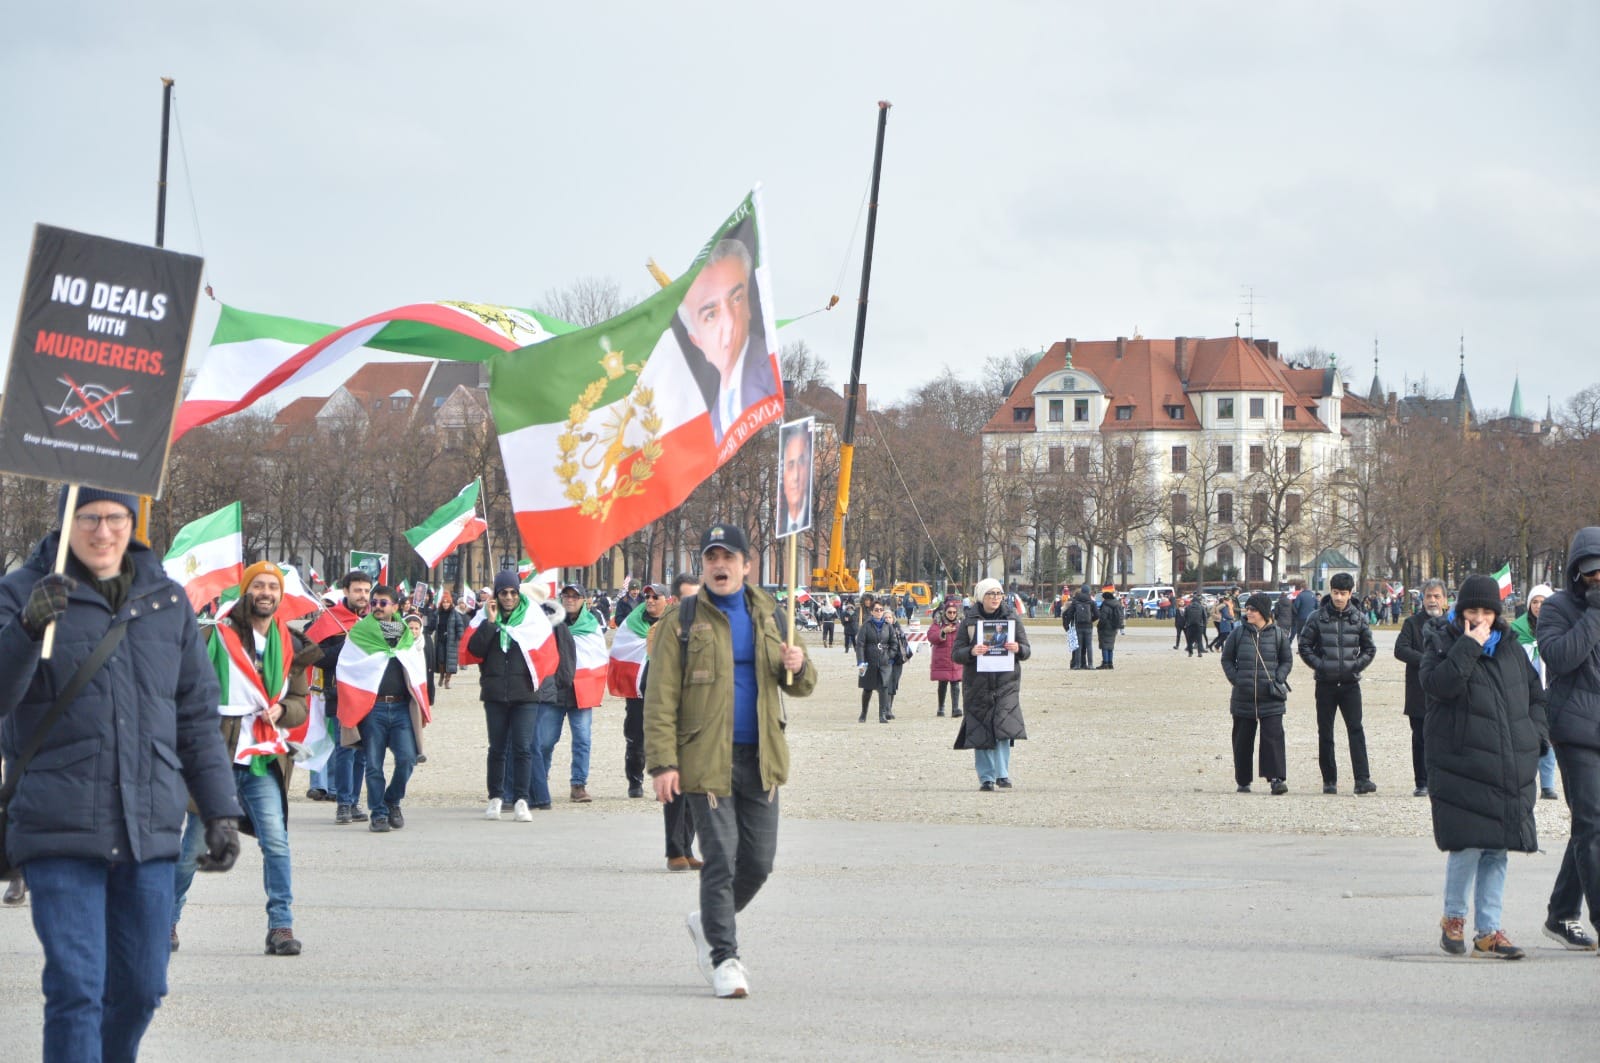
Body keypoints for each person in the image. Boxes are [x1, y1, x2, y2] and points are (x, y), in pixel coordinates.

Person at [0, 485, 243, 1060]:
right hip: (60, 825)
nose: (102, 532)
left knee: (140, 989)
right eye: (88, 518)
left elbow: (195, 718)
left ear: (131, 522)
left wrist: (221, 812)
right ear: (66, 523)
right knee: (77, 986)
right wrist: (28, 631)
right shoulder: (21, 593)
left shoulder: (167, 600)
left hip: (149, 825)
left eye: (114, 518)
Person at [644, 523, 815, 999]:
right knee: (719, 859)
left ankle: (707, 921)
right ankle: (725, 958)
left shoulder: (770, 613)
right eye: (711, 558)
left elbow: (800, 685)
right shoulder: (681, 619)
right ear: (704, 566)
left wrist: (798, 667)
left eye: (728, 558)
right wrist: (662, 763)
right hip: (704, 759)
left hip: (762, 757)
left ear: (746, 564)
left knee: (758, 864)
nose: (719, 566)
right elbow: (659, 698)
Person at [173, 561, 322, 956]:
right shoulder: (216, 638)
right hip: (216, 762)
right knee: (191, 851)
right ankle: (166, 923)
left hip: (262, 763)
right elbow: (187, 687)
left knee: (277, 844)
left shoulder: (290, 643)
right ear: (246, 591)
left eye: (273, 587)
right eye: (259, 586)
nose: (266, 593)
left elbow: (300, 704)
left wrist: (281, 712)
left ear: (280, 595)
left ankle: (281, 927)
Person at [1420, 574, 1547, 959]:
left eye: (1486, 612)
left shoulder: (1511, 649)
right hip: (1463, 762)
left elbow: (1536, 697)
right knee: (1467, 845)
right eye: (1471, 611)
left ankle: (1489, 930)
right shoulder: (1441, 642)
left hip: (1508, 762)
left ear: (1497, 612)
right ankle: (1453, 918)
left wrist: (1536, 738)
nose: (1479, 618)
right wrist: (1468, 645)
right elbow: (1439, 685)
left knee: (1498, 849)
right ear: (1459, 611)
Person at [1538, 527, 1600, 952]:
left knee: (1587, 826)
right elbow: (1559, 657)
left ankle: (1560, 914)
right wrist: (1594, 613)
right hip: (1574, 727)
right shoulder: (1557, 608)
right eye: (1591, 573)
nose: (1597, 579)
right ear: (1576, 572)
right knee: (1593, 824)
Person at [340, 584, 430, 833]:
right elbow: (346, 667)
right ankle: (378, 813)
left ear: (395, 606)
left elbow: (415, 665)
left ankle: (392, 800)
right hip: (373, 708)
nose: (377, 607)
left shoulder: (403, 632)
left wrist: (423, 697)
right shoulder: (360, 631)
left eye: (383, 603)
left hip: (401, 707)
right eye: (374, 602)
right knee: (374, 765)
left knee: (407, 759)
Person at [678, 236, 776, 446]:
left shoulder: (769, 380)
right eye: (711, 315)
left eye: (736, 299)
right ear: (697, 340)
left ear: (749, 305)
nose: (729, 322)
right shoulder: (712, 415)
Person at [469, 570, 546, 821]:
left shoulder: (532, 618)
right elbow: (474, 650)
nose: (509, 597)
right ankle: (495, 797)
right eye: (504, 592)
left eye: (513, 592)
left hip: (525, 694)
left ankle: (522, 799)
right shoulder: (485, 618)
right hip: (495, 694)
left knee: (523, 748)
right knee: (497, 748)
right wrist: (490, 623)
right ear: (496, 594)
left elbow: (544, 650)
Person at [1298, 572, 1377, 795]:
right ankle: (1329, 780)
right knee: (1326, 732)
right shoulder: (1317, 617)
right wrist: (1321, 665)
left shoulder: (1359, 618)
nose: (1339, 598)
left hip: (1351, 684)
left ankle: (1362, 779)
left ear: (1351, 594)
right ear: (1330, 592)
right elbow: (1304, 646)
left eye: (1343, 593)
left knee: (1356, 730)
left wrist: (1355, 665)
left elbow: (1369, 648)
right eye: (1335, 593)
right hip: (1325, 684)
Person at [952, 578, 1031, 791]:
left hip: (1006, 683)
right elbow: (956, 654)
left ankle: (1002, 774)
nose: (996, 597)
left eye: (999, 593)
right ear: (981, 596)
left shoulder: (1012, 618)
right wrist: (971, 651)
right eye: (991, 594)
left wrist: (1018, 648)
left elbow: (1026, 650)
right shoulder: (969, 621)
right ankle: (986, 777)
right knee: (980, 730)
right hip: (977, 684)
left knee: (1004, 727)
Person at [1220, 594, 1293, 795]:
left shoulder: (1278, 634)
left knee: (1273, 738)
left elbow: (1287, 660)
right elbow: (1226, 659)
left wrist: (1279, 678)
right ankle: (1243, 780)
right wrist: (1236, 679)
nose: (1248, 612)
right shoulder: (1237, 633)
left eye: (1253, 609)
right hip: (1243, 695)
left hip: (1271, 696)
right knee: (1242, 740)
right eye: (1248, 609)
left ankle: (1277, 778)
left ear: (1263, 612)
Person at [537, 582, 601, 803]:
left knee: (582, 740)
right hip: (555, 691)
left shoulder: (592, 626)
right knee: (545, 740)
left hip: (581, 692)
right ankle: (539, 782)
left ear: (584, 600)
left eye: (575, 596)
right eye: (566, 595)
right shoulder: (549, 624)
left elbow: (598, 659)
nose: (570, 599)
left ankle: (578, 785)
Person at [317, 570, 371, 825]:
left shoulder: (376, 620)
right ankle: (342, 803)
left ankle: (354, 801)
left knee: (362, 752)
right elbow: (318, 658)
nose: (363, 595)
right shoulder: (330, 621)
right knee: (345, 750)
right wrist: (345, 644)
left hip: (369, 695)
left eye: (366, 590)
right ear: (346, 592)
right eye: (358, 590)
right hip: (341, 695)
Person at [616, 583, 672, 800]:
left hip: (666, 692)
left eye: (655, 597)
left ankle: (664, 783)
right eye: (647, 596)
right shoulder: (632, 625)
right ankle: (635, 781)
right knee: (635, 738)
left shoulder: (674, 624)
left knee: (666, 738)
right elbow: (622, 651)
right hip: (638, 692)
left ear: (667, 600)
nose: (649, 600)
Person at [1394, 579, 1448, 797]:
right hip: (1419, 690)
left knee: (1447, 738)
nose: (1432, 600)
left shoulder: (1453, 623)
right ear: (1422, 598)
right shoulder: (1412, 623)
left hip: (1446, 690)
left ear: (1444, 600)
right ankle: (1422, 782)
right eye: (1428, 596)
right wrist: (1427, 659)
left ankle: (1444, 781)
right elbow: (1400, 649)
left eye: (1436, 596)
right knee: (1420, 738)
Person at [1509, 582, 1560, 800]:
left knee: (1548, 736)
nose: (1539, 606)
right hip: (1524, 690)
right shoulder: (1516, 631)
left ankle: (1547, 785)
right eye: (1535, 602)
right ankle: (1523, 781)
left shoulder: (1560, 626)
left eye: (1543, 602)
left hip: (1552, 688)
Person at [856, 595, 902, 723]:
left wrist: (890, 656)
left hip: (884, 661)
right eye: (876, 610)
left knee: (884, 688)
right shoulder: (866, 626)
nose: (879, 612)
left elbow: (894, 643)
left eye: (881, 610)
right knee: (867, 688)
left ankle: (882, 714)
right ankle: (864, 713)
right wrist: (861, 661)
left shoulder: (888, 626)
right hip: (869, 661)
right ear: (871, 611)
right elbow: (860, 645)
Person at [926, 596, 964, 717]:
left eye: (954, 612)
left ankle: (955, 708)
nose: (952, 614)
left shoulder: (961, 623)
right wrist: (943, 631)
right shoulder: (938, 622)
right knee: (942, 684)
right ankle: (941, 707)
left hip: (956, 659)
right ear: (945, 612)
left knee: (955, 684)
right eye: (949, 612)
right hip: (942, 658)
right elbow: (931, 636)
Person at [778, 424, 812, 534]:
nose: (796, 476)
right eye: (791, 465)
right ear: (783, 475)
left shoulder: (809, 519)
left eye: (801, 462)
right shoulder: (781, 527)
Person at [434, 588, 465, 689]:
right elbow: (431, 623)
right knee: (441, 660)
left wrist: (460, 635)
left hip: (451, 641)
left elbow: (460, 625)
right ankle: (442, 675)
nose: (445, 604)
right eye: (444, 602)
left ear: (450, 603)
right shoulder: (438, 613)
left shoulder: (455, 614)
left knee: (450, 662)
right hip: (441, 641)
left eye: (447, 602)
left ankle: (447, 681)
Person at [1066, 584, 1098, 669]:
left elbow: (1069, 613)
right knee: (1089, 646)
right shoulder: (1092, 602)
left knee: (1078, 646)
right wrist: (1091, 620)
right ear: (1089, 592)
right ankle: (1090, 664)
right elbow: (1097, 615)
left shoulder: (1076, 601)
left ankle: (1078, 665)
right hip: (1088, 626)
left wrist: (1073, 620)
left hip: (1078, 626)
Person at [1096, 585, 1125, 669]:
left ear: (1105, 598)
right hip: (1114, 627)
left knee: (1104, 646)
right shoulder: (1117, 604)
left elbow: (1103, 618)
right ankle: (1110, 663)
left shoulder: (1106, 605)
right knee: (1110, 646)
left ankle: (1105, 663)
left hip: (1106, 627)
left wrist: (1099, 626)